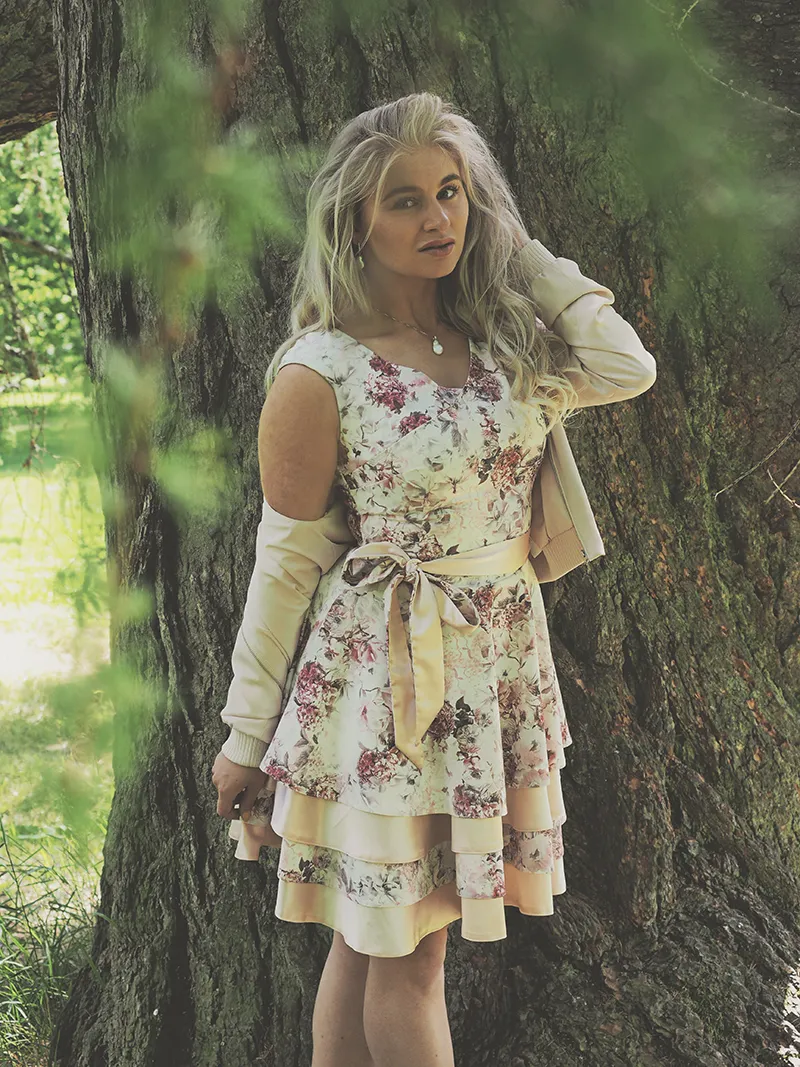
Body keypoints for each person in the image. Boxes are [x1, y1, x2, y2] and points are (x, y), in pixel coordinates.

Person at [211, 91, 656, 1067]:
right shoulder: (318, 370)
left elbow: (624, 365)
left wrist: (520, 248)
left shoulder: (505, 344)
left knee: (386, 943)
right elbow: (285, 560)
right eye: (404, 200)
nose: (438, 218)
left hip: (494, 668)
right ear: (353, 223)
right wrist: (247, 727)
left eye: (452, 193)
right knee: (399, 952)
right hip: (379, 679)